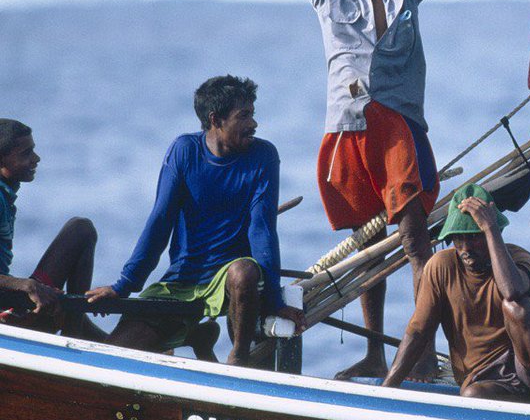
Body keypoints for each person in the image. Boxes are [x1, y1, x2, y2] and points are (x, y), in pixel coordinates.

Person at [271, 0, 440, 381]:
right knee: (369, 244)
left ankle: (420, 352)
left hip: (397, 122)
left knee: (414, 237)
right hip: (348, 123)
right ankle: (373, 351)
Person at [85, 76, 304, 365]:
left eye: (253, 113)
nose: (254, 123)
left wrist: (275, 301)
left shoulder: (263, 155)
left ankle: (237, 359)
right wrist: (124, 285)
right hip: (183, 280)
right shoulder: (184, 151)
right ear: (215, 119)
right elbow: (160, 221)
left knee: (244, 272)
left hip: (230, 281)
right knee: (113, 358)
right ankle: (196, 337)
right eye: (244, 116)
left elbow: (261, 229)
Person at [382, 184, 530, 406]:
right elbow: (418, 331)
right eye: (459, 238)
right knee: (471, 395)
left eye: (474, 236)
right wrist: (387, 390)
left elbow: (512, 291)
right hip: (486, 380)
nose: (466, 247)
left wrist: (490, 229)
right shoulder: (441, 267)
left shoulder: (518, 258)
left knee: (515, 307)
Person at [0, 119, 105, 340]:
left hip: (9, 301)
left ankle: (76, 326)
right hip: (6, 316)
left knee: (80, 229)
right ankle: (75, 334)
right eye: (26, 153)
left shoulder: (6, 194)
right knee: (80, 229)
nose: (36, 159)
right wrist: (25, 285)